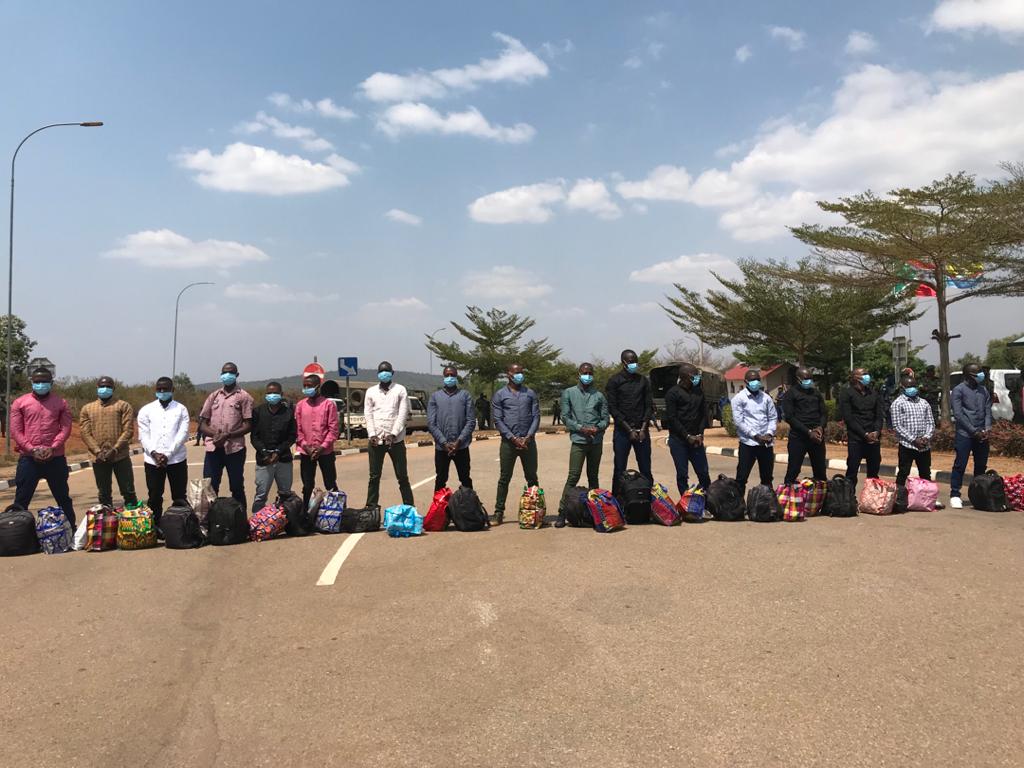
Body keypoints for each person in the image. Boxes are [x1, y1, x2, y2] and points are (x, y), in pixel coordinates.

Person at [10, 367, 75, 525]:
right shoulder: (20, 403)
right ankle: (16, 531)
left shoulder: (61, 403)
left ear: (51, 383)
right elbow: (16, 431)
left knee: (63, 498)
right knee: (21, 500)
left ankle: (71, 529)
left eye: (44, 381)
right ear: (32, 382)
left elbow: (66, 428)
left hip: (55, 458)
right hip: (29, 459)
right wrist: (31, 449)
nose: (40, 384)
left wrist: (53, 447)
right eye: (37, 382)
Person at [555, 363, 608, 527]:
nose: (588, 376)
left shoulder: (599, 395)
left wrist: (597, 428)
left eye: (590, 373)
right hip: (579, 441)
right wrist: (581, 428)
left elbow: (605, 418)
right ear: (579, 373)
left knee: (593, 476)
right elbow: (565, 416)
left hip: (595, 441)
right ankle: (562, 512)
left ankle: (595, 512)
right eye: (585, 372)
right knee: (573, 476)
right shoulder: (569, 393)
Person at [199, 362, 253, 511]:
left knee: (236, 486)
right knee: (210, 487)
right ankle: (210, 520)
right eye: (224, 372)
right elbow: (202, 423)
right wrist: (216, 435)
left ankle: (240, 519)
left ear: (237, 375)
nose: (226, 375)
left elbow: (248, 425)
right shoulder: (214, 396)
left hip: (235, 449)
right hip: (213, 448)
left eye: (230, 372)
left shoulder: (244, 396)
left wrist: (228, 435)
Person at [137, 377, 190, 530]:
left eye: (165, 389)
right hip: (153, 461)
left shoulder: (181, 409)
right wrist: (155, 454)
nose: (162, 392)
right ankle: (155, 528)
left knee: (179, 496)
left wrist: (168, 454)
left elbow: (183, 434)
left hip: (176, 460)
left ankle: (179, 528)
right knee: (154, 496)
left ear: (172, 390)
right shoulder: (146, 410)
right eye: (159, 389)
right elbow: (143, 435)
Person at [491, 362, 540, 525]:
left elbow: (536, 416)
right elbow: (498, 419)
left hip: (528, 443)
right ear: (509, 375)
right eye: (516, 372)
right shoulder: (500, 395)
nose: (520, 375)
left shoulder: (530, 394)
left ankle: (536, 511)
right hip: (508, 444)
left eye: (521, 372)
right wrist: (512, 438)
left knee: (532, 477)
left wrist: (528, 437)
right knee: (504, 478)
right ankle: (498, 512)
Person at [80, 375, 138, 508]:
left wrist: (115, 449)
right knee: (104, 493)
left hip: (120, 456)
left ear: (113, 388)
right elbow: (85, 433)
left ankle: (132, 516)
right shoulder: (87, 408)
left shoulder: (123, 406)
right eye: (102, 386)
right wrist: (97, 451)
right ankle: (107, 517)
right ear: (97, 387)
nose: (105, 389)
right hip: (98, 458)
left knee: (128, 490)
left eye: (108, 386)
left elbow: (128, 430)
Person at [364, 361, 414, 508]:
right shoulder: (371, 392)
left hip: (395, 441)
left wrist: (393, 433)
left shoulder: (400, 390)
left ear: (392, 373)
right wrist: (372, 434)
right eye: (381, 371)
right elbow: (368, 415)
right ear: (377, 374)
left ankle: (409, 507)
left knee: (402, 476)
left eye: (386, 371)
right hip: (376, 441)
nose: (384, 373)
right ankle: (371, 508)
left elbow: (402, 414)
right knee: (374, 477)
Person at [605, 349, 654, 496]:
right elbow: (613, 408)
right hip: (622, 432)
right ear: (624, 362)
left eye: (636, 362)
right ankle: (617, 499)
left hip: (642, 431)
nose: (634, 364)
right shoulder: (614, 381)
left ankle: (648, 500)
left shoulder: (643, 381)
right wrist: (629, 430)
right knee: (620, 469)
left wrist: (643, 428)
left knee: (645, 469)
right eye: (631, 362)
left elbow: (648, 406)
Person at [891, 375, 942, 508]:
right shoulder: (898, 403)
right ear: (902, 387)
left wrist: (926, 437)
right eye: (909, 386)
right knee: (903, 472)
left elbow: (930, 423)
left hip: (924, 445)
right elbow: (897, 426)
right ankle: (898, 499)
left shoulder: (924, 403)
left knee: (925, 473)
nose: (912, 389)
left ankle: (928, 499)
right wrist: (914, 440)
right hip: (907, 445)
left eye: (914, 386)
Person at [664, 363, 711, 496]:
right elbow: (672, 418)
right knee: (682, 474)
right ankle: (685, 501)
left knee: (703, 472)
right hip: (679, 440)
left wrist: (700, 434)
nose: (697, 378)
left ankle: (706, 499)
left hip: (696, 440)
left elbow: (703, 415)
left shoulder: (699, 392)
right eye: (694, 376)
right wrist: (687, 436)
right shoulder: (672, 393)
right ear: (685, 377)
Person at [949, 363, 992, 509]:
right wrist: (974, 431)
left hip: (982, 434)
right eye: (977, 373)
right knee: (960, 464)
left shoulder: (983, 390)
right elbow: (958, 414)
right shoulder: (958, 390)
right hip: (965, 434)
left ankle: (978, 494)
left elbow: (987, 411)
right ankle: (955, 494)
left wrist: (987, 429)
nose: (981, 375)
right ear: (968, 375)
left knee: (981, 466)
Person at [250, 381, 297, 513]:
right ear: (266, 395)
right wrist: (265, 453)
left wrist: (278, 451)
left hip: (283, 459)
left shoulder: (288, 413)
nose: (272, 395)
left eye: (275, 393)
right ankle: (257, 520)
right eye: (269, 393)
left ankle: (285, 519)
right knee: (261, 494)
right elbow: (254, 437)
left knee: (285, 493)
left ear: (281, 394)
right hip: (264, 460)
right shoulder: (258, 412)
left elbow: (292, 436)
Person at [294, 374, 339, 508]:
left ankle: (336, 510)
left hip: (325, 452)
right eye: (304, 386)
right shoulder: (300, 405)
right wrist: (306, 447)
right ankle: (306, 512)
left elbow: (333, 429)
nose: (306, 388)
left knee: (330, 483)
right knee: (307, 485)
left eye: (309, 386)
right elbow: (297, 429)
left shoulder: (328, 405)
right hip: (306, 452)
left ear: (318, 387)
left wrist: (322, 447)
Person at [427, 365, 475, 492]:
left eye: (452, 375)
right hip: (441, 448)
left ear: (456, 377)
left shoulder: (465, 396)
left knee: (465, 479)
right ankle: (438, 504)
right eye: (447, 375)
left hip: (461, 446)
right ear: (443, 377)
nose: (450, 377)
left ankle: (469, 503)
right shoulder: (435, 397)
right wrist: (443, 442)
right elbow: (431, 423)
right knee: (440, 479)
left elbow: (470, 421)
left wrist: (459, 441)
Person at [731, 369, 778, 497]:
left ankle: (767, 503)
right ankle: (738, 504)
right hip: (748, 443)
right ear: (746, 381)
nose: (756, 382)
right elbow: (739, 421)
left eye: (758, 379)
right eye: (752, 380)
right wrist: (755, 436)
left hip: (766, 444)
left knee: (767, 478)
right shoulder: (739, 398)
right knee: (741, 478)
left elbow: (773, 417)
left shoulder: (766, 398)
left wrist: (769, 433)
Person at [838, 367, 884, 488]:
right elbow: (849, 418)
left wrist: (876, 432)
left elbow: (879, 416)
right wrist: (864, 434)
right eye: (864, 374)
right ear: (855, 377)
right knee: (852, 471)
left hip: (873, 439)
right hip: (856, 438)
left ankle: (871, 497)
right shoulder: (847, 394)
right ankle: (849, 497)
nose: (867, 376)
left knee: (873, 472)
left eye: (867, 373)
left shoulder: (874, 393)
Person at [781, 367, 828, 485]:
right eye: (806, 378)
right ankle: (788, 492)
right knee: (794, 469)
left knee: (820, 471)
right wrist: (808, 432)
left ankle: (820, 495)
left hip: (817, 437)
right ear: (798, 379)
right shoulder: (790, 394)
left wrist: (820, 427)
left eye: (811, 378)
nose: (809, 381)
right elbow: (790, 417)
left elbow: (824, 413)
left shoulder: (816, 393)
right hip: (799, 437)